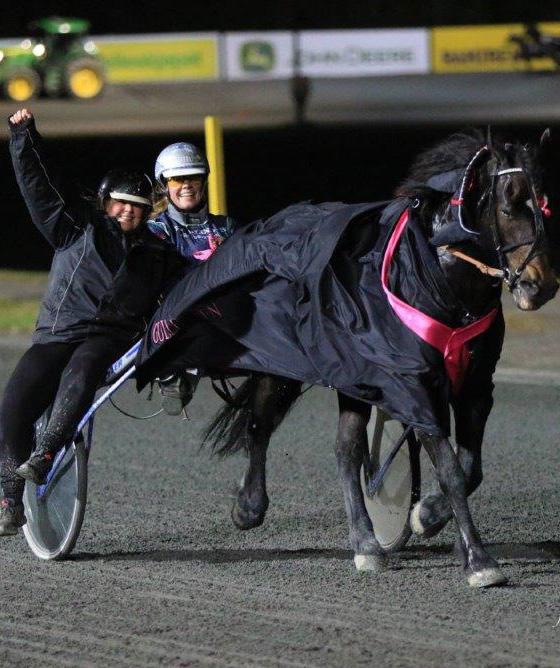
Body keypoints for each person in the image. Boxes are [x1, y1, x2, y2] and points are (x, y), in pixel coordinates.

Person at [0, 109, 181, 536]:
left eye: (137, 207)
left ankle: (45, 455)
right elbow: (39, 189)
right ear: (104, 203)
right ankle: (9, 498)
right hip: (56, 335)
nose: (128, 213)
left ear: (148, 211)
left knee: (83, 369)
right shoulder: (74, 230)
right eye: (120, 204)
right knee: (14, 403)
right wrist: (23, 136)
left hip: (108, 341)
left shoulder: (159, 255)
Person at [148, 142, 237, 415]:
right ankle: (178, 373)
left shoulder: (227, 227)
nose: (186, 185)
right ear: (165, 184)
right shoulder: (156, 230)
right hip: (175, 316)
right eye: (177, 178)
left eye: (194, 177)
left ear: (204, 180)